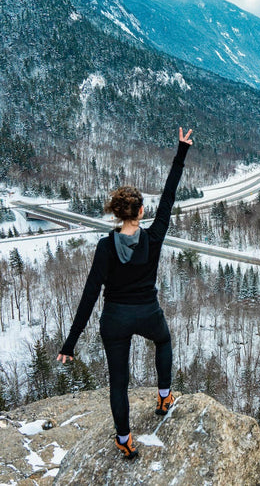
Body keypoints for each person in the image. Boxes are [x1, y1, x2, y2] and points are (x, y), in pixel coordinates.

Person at [57, 127, 193, 459]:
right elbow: (170, 196)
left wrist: (70, 344)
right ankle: (164, 397)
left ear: (117, 213)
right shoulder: (154, 236)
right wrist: (181, 152)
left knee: (119, 381)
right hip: (147, 312)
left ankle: (124, 439)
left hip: (114, 318)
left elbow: (90, 295)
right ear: (141, 212)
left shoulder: (105, 247)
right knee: (163, 341)